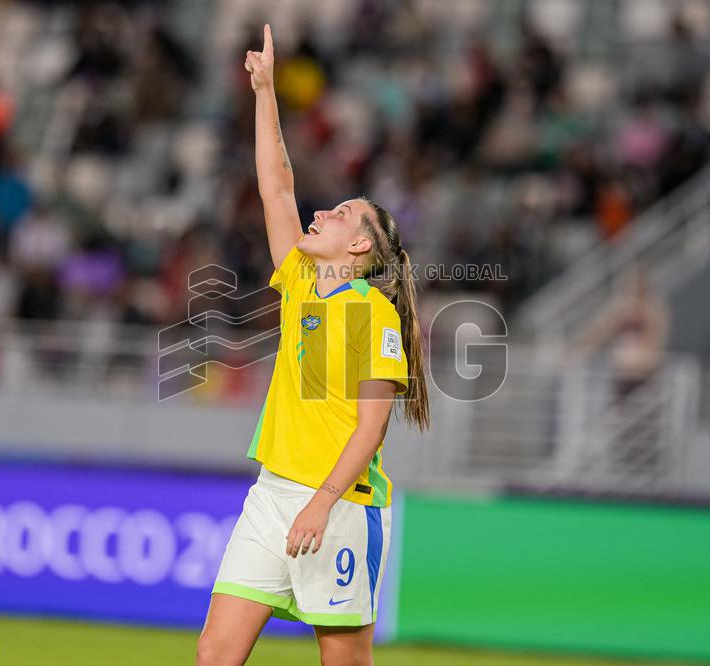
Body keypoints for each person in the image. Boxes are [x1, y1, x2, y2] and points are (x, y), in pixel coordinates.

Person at [198, 25, 430, 666]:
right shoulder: (302, 282)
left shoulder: (372, 314)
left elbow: (370, 428)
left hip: (341, 505)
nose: (322, 213)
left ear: (359, 248)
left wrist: (321, 505)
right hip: (273, 492)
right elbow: (277, 186)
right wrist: (266, 90)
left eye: (342, 214)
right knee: (215, 654)